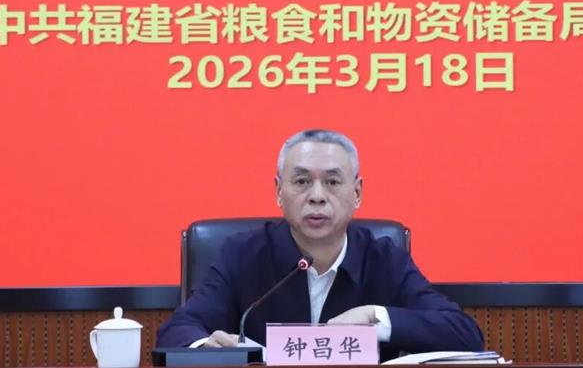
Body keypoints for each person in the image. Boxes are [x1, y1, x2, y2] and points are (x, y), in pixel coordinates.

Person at [157, 129, 483, 360]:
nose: (316, 196)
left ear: (357, 193)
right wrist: (205, 348)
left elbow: (465, 334)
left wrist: (376, 318)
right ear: (279, 192)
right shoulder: (243, 255)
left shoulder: (384, 258)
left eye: (332, 182)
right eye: (301, 181)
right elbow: (177, 331)